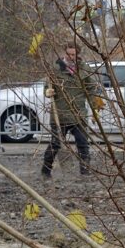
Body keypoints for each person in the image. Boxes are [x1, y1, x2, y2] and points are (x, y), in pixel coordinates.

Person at [42, 43, 100, 177]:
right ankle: (45, 171)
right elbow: (47, 87)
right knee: (55, 144)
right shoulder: (56, 69)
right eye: (68, 54)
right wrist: (48, 92)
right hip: (60, 115)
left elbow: (91, 89)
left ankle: (85, 172)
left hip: (78, 114)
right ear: (64, 53)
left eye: (73, 54)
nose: (70, 57)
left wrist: (95, 108)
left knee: (83, 144)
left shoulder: (84, 69)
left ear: (77, 54)